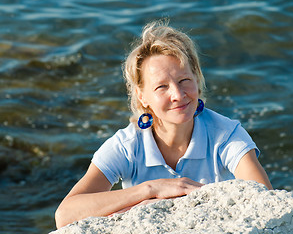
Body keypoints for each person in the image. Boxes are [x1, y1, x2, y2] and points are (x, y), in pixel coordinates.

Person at [54, 20, 272, 229]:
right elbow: (65, 215)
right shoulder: (128, 144)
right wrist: (150, 189)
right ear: (142, 96)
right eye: (162, 87)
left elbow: (265, 201)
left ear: (197, 78)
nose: (178, 95)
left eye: (184, 80)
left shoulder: (226, 134)